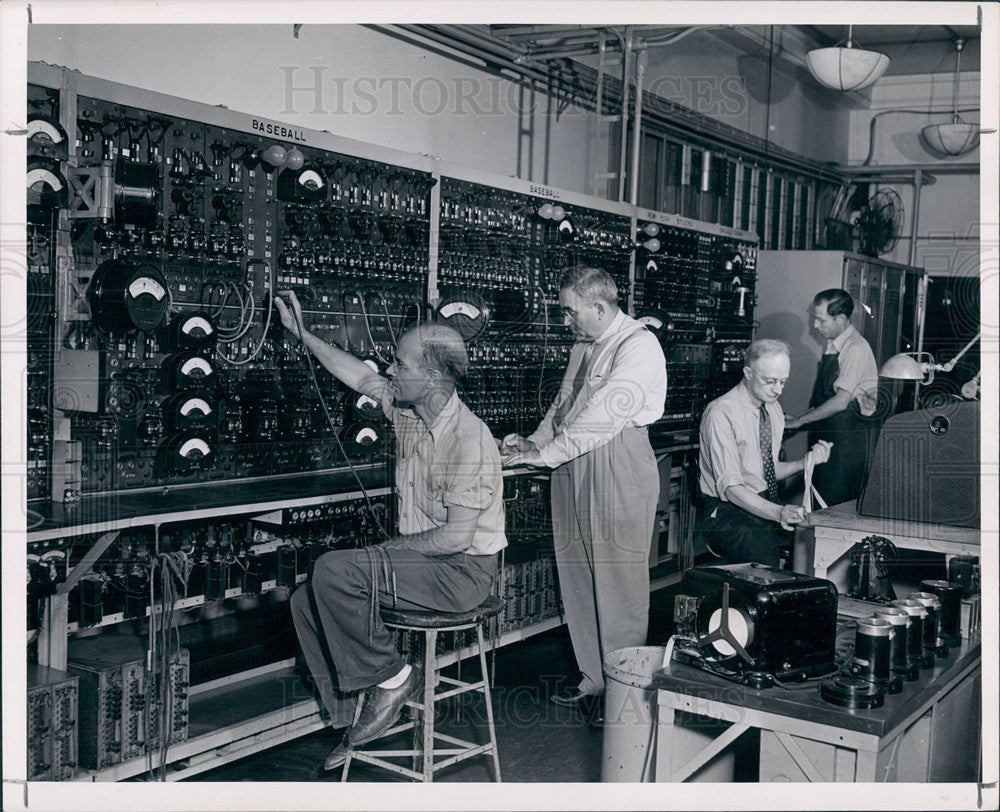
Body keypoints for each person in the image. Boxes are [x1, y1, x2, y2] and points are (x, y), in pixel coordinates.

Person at [274, 291, 507, 771]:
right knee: (307, 598)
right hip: (426, 563)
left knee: (334, 572)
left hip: (461, 572)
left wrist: (382, 551)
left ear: (433, 375)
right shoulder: (409, 410)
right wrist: (301, 332)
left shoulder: (469, 439)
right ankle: (350, 716)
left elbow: (455, 539)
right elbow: (358, 375)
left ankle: (395, 678)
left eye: (399, 363)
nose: (390, 369)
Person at [500, 266, 667, 722]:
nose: (565, 321)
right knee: (577, 573)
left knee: (617, 580)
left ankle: (625, 691)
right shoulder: (583, 345)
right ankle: (595, 679)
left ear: (599, 307)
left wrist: (545, 456)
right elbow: (565, 404)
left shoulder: (639, 346)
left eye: (570, 312)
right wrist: (533, 444)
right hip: (572, 458)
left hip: (616, 458)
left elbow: (600, 419)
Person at [698, 339, 832, 567]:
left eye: (783, 382)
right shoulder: (721, 413)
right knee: (766, 565)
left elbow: (769, 469)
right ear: (748, 372)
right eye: (770, 381)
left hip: (762, 501)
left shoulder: (772, 408)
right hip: (726, 510)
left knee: (809, 551)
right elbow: (731, 489)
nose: (778, 390)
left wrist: (805, 462)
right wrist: (779, 512)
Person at [784, 289, 879, 506]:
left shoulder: (855, 348)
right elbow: (826, 397)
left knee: (833, 509)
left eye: (820, 320)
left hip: (846, 448)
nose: (815, 326)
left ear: (841, 319)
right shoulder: (834, 345)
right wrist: (796, 419)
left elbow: (840, 401)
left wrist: (799, 421)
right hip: (828, 440)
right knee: (818, 506)